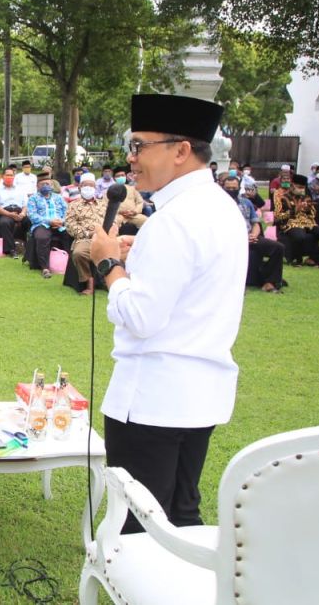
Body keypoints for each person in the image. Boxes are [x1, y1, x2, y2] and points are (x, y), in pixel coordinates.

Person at [90, 93, 247, 534]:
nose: (130, 157)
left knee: (141, 526)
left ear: (181, 150)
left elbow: (141, 317)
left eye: (140, 145)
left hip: (153, 399)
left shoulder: (174, 220)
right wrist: (138, 258)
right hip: (200, 395)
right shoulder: (219, 207)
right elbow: (193, 283)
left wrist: (109, 265)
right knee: (182, 515)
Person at [223, 175, 285, 293]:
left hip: (250, 236)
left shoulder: (246, 203)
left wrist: (254, 235)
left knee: (278, 248)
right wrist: (242, 239)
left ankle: (270, 283)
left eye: (234, 188)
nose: (231, 191)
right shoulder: (217, 204)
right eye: (228, 188)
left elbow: (255, 223)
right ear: (223, 188)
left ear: (239, 188)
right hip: (230, 239)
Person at [273, 174, 319, 266]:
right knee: (300, 237)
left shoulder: (306, 197)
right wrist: (295, 210)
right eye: (299, 187)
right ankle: (296, 259)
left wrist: (309, 209)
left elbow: (312, 215)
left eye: (303, 187)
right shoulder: (281, 197)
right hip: (291, 223)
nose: (301, 190)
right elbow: (278, 216)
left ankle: (313, 259)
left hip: (308, 223)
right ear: (292, 185)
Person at [65, 173, 110, 295]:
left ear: (95, 187)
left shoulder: (103, 204)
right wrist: (86, 233)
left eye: (91, 186)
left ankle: (111, 282)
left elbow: (113, 219)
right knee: (79, 253)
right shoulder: (73, 205)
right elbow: (69, 223)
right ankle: (89, 283)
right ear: (79, 188)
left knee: (119, 251)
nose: (88, 188)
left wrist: (105, 232)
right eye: (85, 185)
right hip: (85, 238)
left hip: (104, 236)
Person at [26, 170, 70, 278]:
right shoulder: (33, 199)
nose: (46, 186)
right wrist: (49, 221)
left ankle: (71, 265)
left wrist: (62, 221)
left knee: (70, 234)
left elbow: (67, 212)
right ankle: (45, 267)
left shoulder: (58, 197)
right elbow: (32, 215)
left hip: (60, 224)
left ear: (52, 185)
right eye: (43, 184)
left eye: (48, 184)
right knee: (41, 237)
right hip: (41, 224)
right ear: (37, 186)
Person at [0, 167, 29, 256]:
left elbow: (25, 205)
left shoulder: (20, 189)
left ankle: (28, 246)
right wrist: (10, 214)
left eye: (11, 175)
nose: (9, 177)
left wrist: (23, 214)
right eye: (7, 175)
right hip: (5, 212)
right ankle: (11, 249)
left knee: (29, 222)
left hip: (19, 212)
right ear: (3, 176)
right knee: (5, 222)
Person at [112, 166, 148, 234]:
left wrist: (135, 211)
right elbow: (105, 205)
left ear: (125, 176)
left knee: (147, 221)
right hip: (118, 216)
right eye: (118, 176)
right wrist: (120, 212)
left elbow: (140, 202)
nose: (120, 177)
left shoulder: (132, 189)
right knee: (112, 225)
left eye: (122, 175)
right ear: (114, 178)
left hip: (133, 215)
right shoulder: (110, 191)